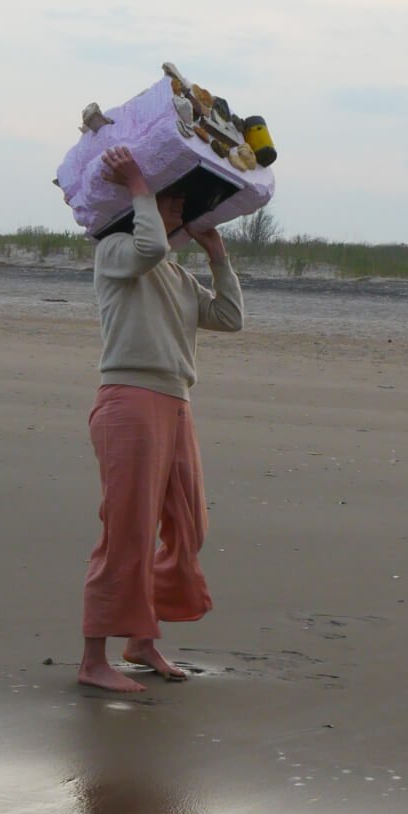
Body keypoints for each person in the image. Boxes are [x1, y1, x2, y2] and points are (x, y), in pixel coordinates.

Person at [78, 144, 244, 694]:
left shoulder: (174, 275)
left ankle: (142, 639)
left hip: (174, 403)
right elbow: (148, 245)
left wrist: (217, 253)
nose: (179, 208)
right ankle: (93, 658)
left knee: (187, 524)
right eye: (171, 199)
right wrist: (138, 185)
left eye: (176, 200)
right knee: (125, 530)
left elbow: (229, 318)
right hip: (129, 400)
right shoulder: (117, 251)